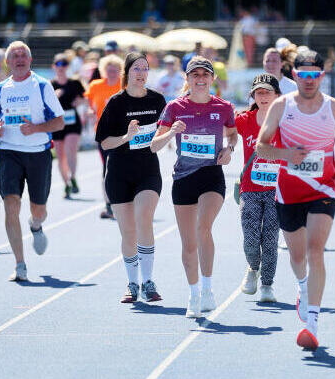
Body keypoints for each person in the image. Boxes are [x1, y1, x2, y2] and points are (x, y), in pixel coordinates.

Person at [255, 50, 335, 350]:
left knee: (316, 251)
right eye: (304, 75)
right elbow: (262, 148)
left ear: (322, 76)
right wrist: (287, 155)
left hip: (323, 188)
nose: (309, 80)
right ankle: (302, 287)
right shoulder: (280, 106)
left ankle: (312, 321)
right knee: (298, 257)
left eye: (315, 75)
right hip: (289, 190)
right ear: (295, 75)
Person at [150, 56, 238, 318]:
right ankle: (194, 293)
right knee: (188, 243)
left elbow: (232, 133)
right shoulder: (175, 107)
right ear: (187, 79)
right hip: (183, 178)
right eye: (195, 75)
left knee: (204, 228)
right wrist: (171, 131)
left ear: (212, 79)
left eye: (205, 75)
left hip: (212, 174)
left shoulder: (223, 107)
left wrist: (229, 148)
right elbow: (154, 145)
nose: (200, 79)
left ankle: (209, 288)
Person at [0, 41, 65, 282]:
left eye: (23, 55)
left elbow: (60, 122)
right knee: (11, 203)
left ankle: (36, 224)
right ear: (7, 62)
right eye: (14, 56)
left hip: (38, 152)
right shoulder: (1, 89)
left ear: (30, 60)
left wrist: (36, 128)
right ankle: (19, 264)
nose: (19, 59)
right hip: (9, 151)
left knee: (38, 209)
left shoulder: (42, 86)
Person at [96, 52, 167, 303]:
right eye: (136, 68)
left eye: (145, 69)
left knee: (143, 218)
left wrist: (168, 136)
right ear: (127, 73)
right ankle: (132, 283)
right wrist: (126, 137)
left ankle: (148, 281)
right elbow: (104, 143)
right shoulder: (116, 103)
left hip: (147, 171)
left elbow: (163, 134)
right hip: (118, 174)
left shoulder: (158, 100)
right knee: (128, 232)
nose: (141, 73)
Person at [236, 73, 281, 302]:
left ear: (277, 96)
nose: (263, 96)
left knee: (271, 239)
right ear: (253, 95)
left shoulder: (286, 121)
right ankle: (253, 268)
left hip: (276, 190)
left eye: (268, 92)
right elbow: (224, 129)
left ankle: (267, 285)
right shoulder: (244, 120)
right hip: (250, 188)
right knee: (251, 237)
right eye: (259, 92)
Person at [85, 54, 123, 219]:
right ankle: (109, 205)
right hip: (103, 133)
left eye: (115, 70)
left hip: (123, 134)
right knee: (107, 168)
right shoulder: (96, 85)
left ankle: (124, 203)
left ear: (120, 71)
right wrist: (90, 111)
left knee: (122, 168)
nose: (112, 73)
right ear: (103, 70)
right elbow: (89, 104)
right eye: (109, 70)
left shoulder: (125, 86)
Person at [49, 53, 87, 199]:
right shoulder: (50, 85)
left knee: (70, 150)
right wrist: (54, 96)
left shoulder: (74, 83)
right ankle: (66, 184)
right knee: (60, 155)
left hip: (72, 122)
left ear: (67, 67)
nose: (61, 68)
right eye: (58, 65)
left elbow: (85, 98)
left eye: (64, 65)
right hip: (57, 123)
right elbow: (44, 104)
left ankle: (73, 177)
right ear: (54, 67)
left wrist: (80, 102)